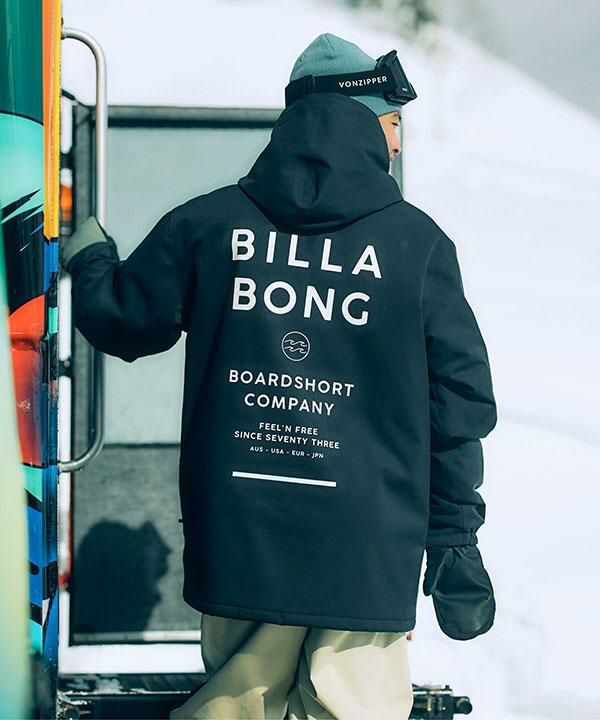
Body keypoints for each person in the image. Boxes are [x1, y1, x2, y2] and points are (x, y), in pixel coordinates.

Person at [60, 32, 497, 720]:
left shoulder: (208, 224)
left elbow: (123, 320)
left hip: (242, 534)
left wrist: (89, 258)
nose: (398, 143)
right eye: (393, 123)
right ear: (364, 121)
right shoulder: (416, 247)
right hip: (366, 544)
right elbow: (459, 402)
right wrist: (454, 534)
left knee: (233, 709)